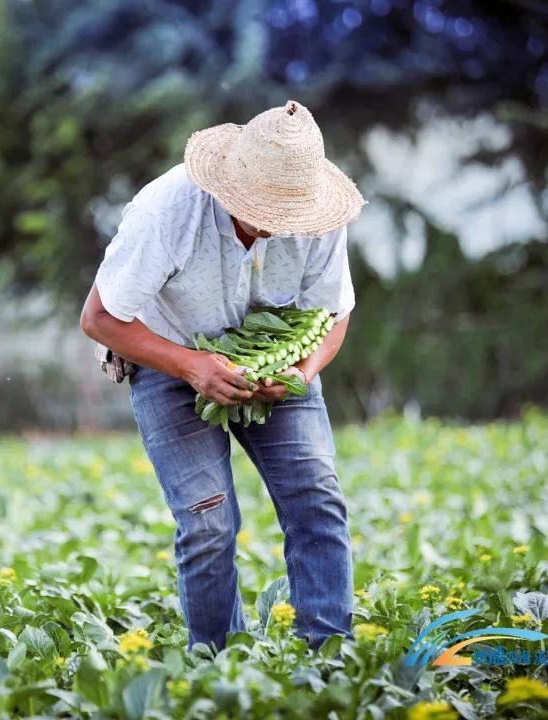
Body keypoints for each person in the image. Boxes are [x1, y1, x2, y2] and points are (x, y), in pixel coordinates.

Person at [79, 99, 367, 653]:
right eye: (263, 211)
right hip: (169, 356)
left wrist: (299, 374)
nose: (278, 226)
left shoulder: (318, 215)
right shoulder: (168, 212)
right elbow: (98, 318)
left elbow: (335, 312)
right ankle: (218, 665)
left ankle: (329, 656)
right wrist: (193, 365)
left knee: (318, 497)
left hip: (276, 362)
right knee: (207, 521)